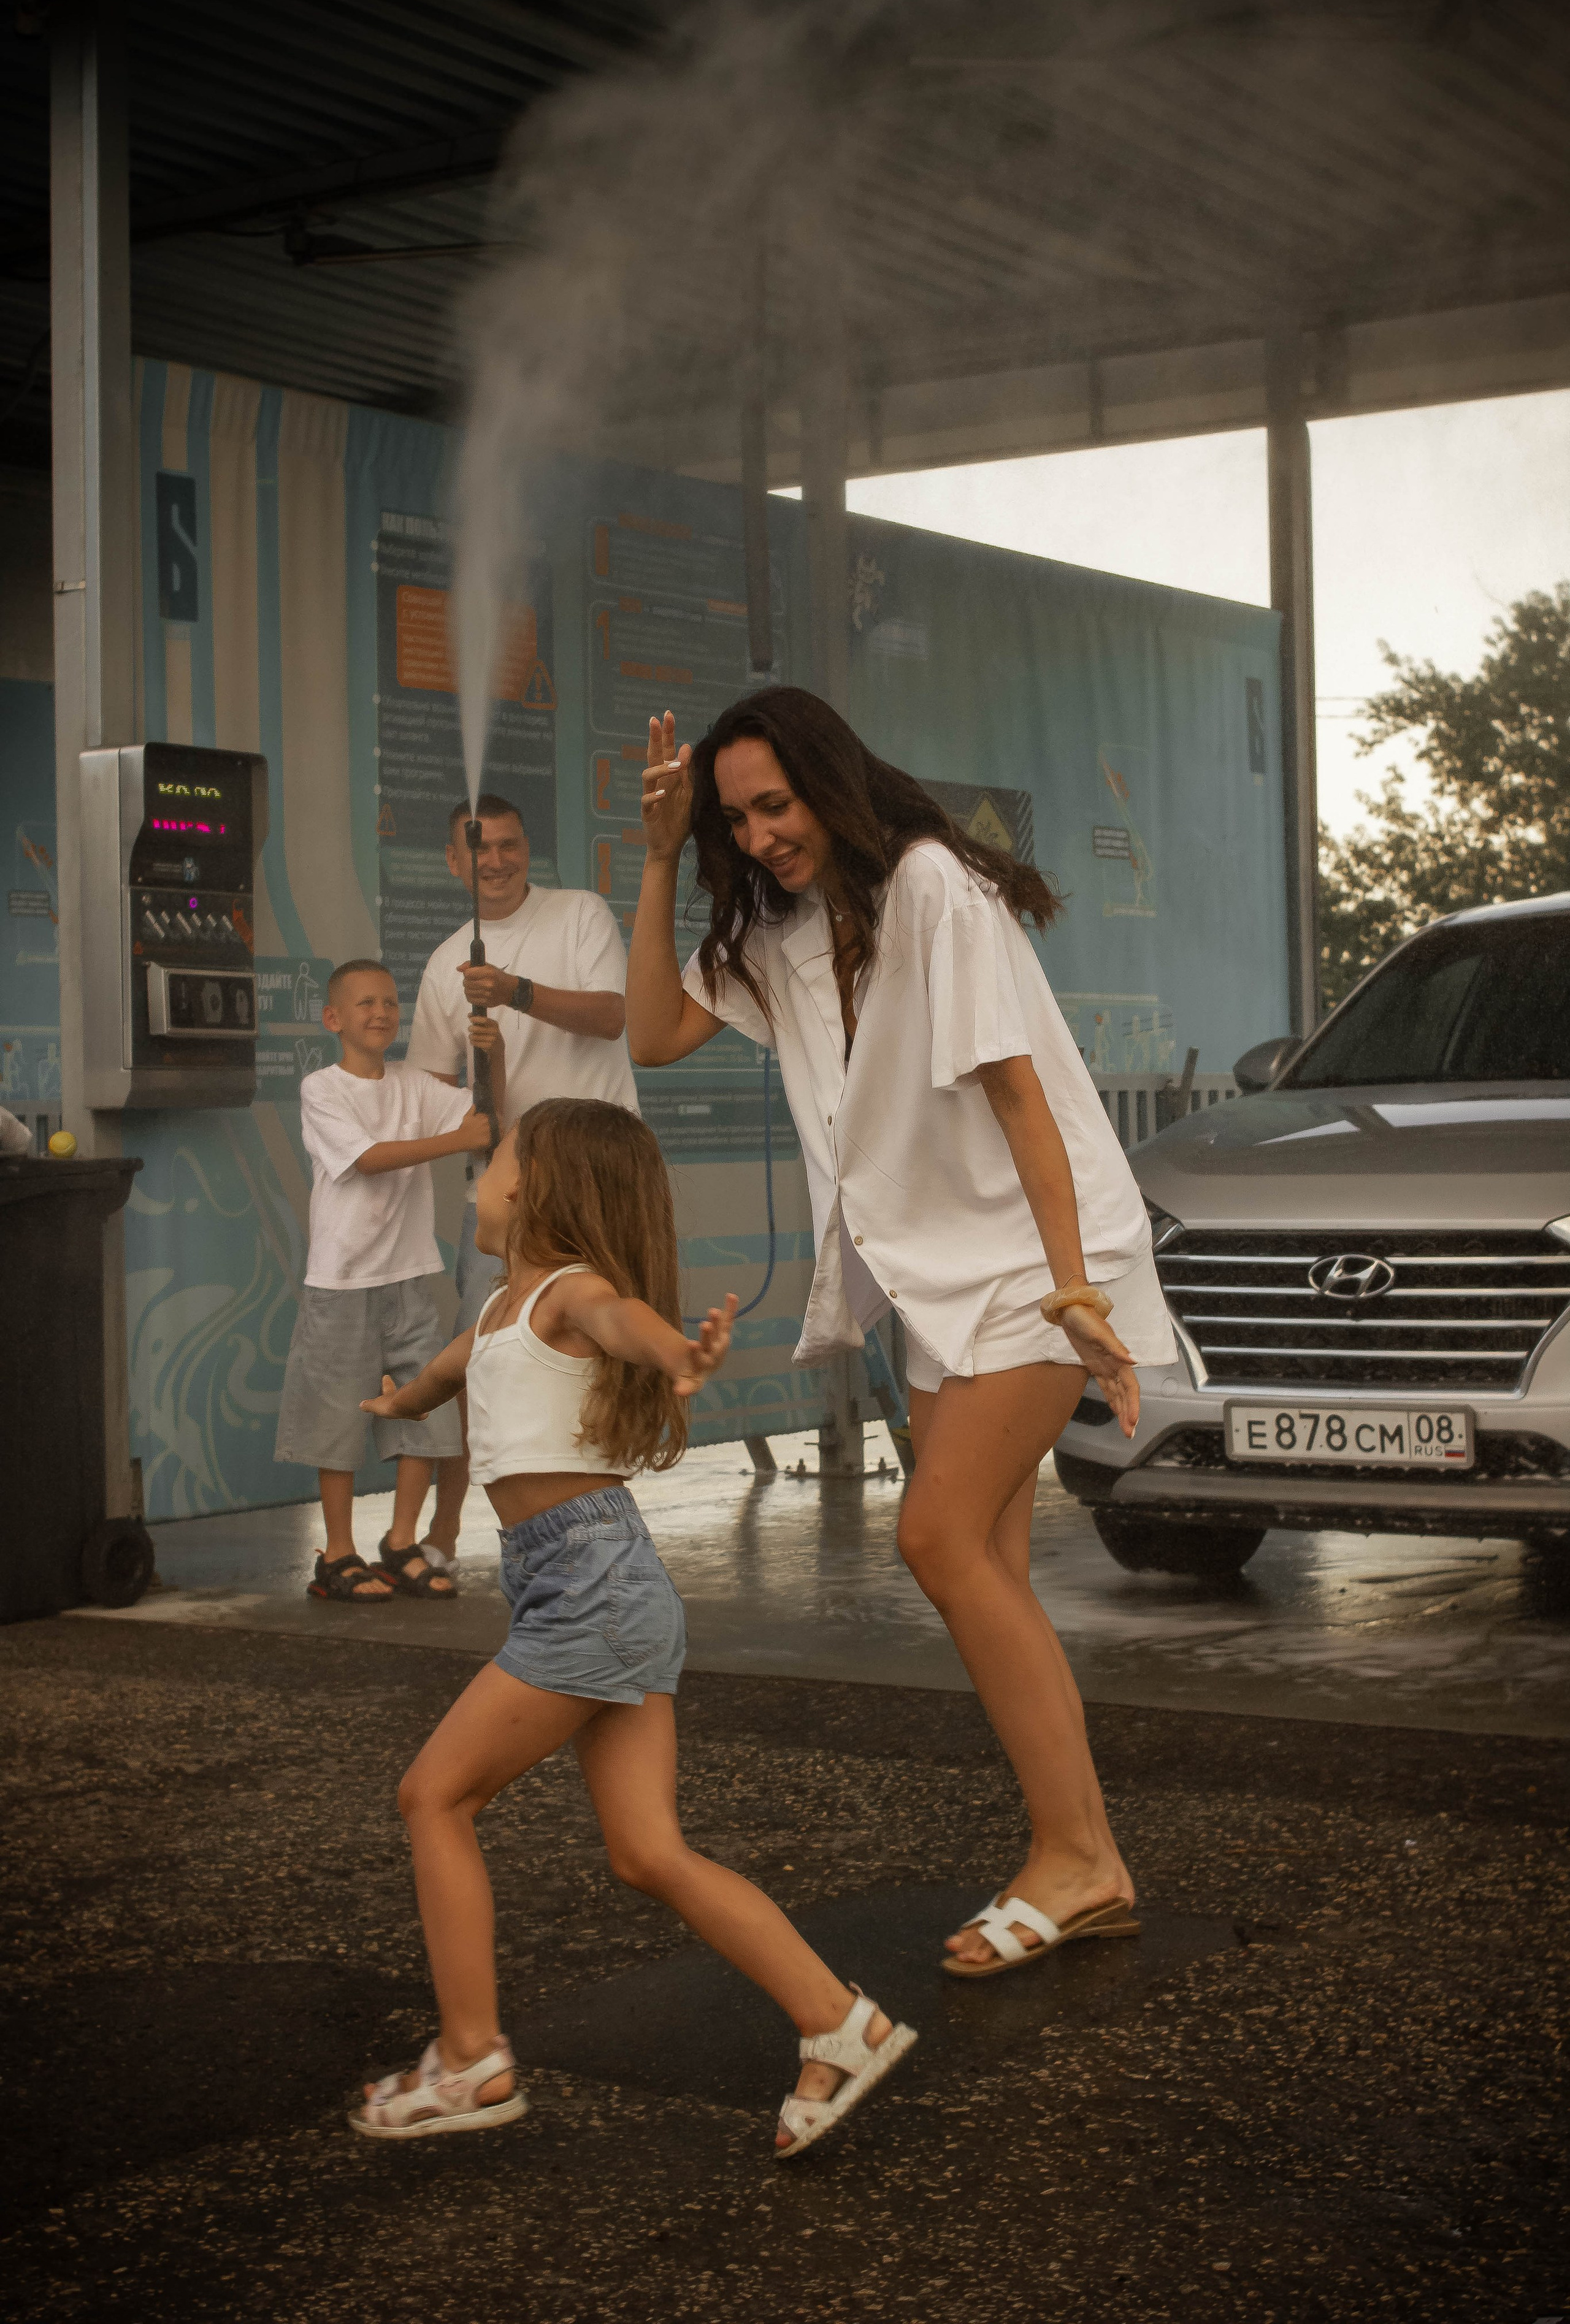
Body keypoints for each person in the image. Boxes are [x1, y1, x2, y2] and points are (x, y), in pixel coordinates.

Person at [627, 690, 1175, 1979]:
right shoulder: (777, 925)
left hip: (1040, 1263)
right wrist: (655, 857)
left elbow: (1020, 1097)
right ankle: (1077, 1854)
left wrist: (1076, 1295)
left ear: (830, 781)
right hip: (933, 1279)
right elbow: (652, 1033)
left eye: (777, 804)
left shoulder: (931, 884)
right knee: (983, 1557)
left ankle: (1077, 1855)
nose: (761, 837)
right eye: (736, 819)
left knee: (930, 1534)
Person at [350, 1096, 916, 2152]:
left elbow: (626, 1322)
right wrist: (395, 1404)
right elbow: (446, 1373)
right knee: (648, 1852)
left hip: (591, 1582)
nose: (478, 1177)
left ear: (532, 1187)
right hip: (585, 1580)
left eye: (494, 1160)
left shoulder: (570, 1291)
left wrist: (678, 1355)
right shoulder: (500, 1310)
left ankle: (472, 2061)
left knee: (434, 1796)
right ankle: (840, 2023)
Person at [404, 794, 640, 1567]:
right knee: (495, 1352)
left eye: (508, 844)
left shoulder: (580, 913)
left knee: (603, 1346)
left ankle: (602, 1524)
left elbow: (613, 1016)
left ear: (526, 847)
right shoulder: (445, 963)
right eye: (479, 850)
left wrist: (515, 992)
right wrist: (488, 1078)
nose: (496, 860)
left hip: (601, 1177)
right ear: (453, 863)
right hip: (509, 1188)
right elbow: (438, 1090)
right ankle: (478, 1532)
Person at [275, 957, 502, 1603]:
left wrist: (496, 1051)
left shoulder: (415, 1084)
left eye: (389, 1003)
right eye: (365, 1003)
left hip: (410, 1276)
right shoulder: (323, 1090)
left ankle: (401, 1543)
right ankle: (337, 1552)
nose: (380, 1013)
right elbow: (370, 1160)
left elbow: (485, 1117)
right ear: (334, 1018)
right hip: (341, 1281)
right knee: (337, 1416)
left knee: (423, 1409)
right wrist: (453, 1142)